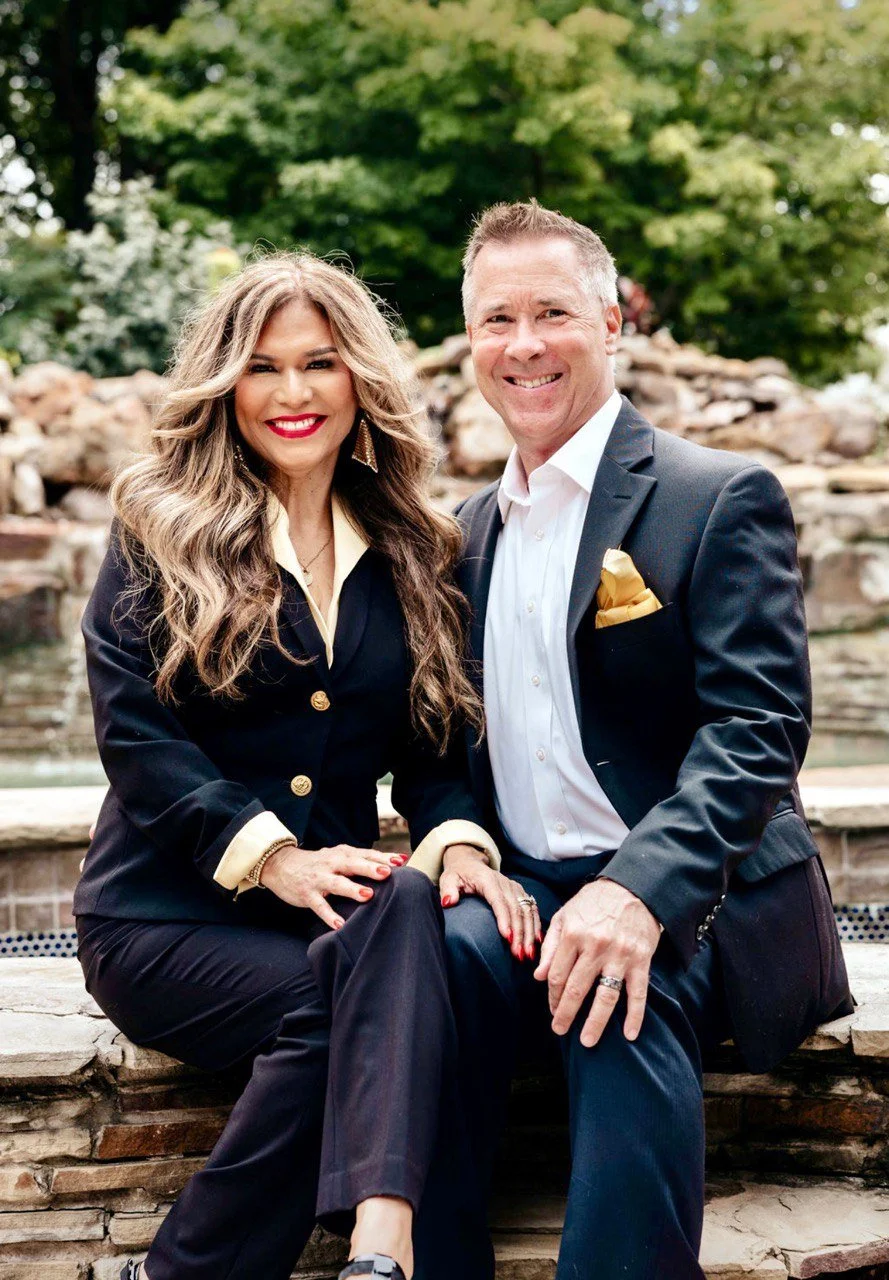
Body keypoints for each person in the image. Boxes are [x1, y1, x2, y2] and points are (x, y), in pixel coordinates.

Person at [416, 202, 854, 1280]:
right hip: (525, 886)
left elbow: (757, 729)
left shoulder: (714, 496)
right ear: (469, 339)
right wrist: (460, 843)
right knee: (424, 963)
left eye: (553, 312)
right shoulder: (458, 535)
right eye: (496, 318)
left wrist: (637, 890)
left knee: (619, 977)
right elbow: (429, 746)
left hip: (703, 897)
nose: (524, 344)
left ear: (613, 323)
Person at [73, 252, 531, 1280]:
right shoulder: (158, 523)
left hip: (327, 920)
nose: (291, 393)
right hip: (163, 918)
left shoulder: (415, 542)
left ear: (356, 377)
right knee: (368, 1004)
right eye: (262, 367)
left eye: (318, 363)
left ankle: (331, 1251)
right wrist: (272, 856)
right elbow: (137, 737)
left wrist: (456, 839)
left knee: (410, 905)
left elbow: (433, 758)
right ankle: (393, 1243)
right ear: (224, 385)